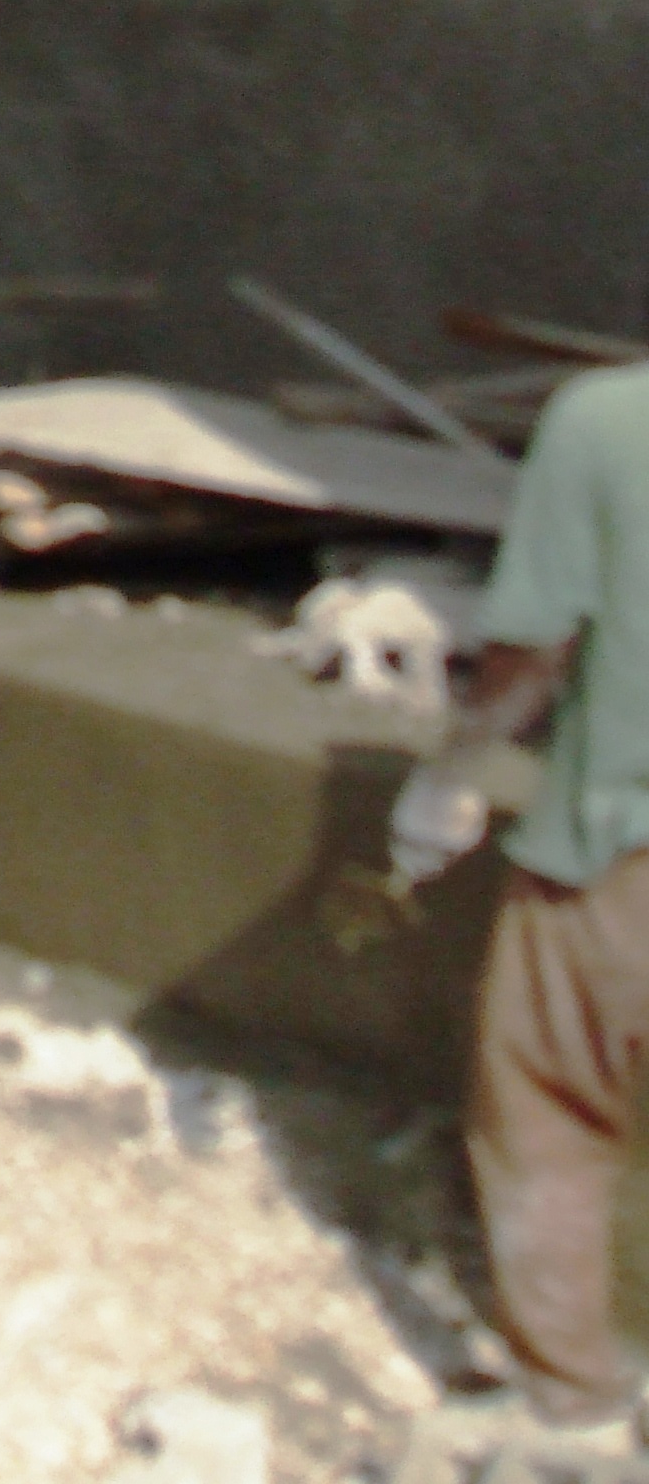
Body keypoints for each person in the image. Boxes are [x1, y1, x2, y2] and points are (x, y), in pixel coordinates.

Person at [389, 358, 649, 1456]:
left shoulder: (608, 418)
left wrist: (449, 770)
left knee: (548, 1107)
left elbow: (533, 650)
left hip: (620, 859)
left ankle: (575, 1405)